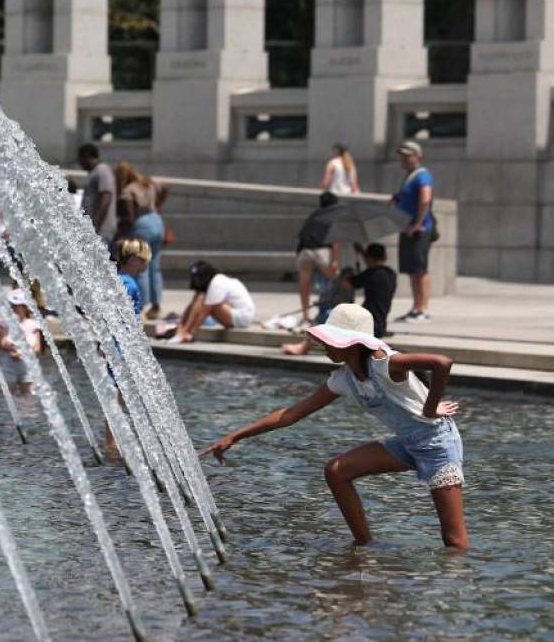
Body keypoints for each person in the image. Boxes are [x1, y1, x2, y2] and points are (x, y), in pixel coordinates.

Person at [200, 303, 467, 549]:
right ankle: (365, 547)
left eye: (328, 341)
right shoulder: (345, 378)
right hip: (406, 443)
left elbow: (441, 363)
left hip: (437, 444)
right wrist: (235, 436)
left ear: (350, 343)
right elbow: (291, 414)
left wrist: (430, 408)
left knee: (453, 540)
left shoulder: (385, 363)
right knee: (336, 471)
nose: (322, 346)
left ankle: (456, 587)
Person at [104, 238, 151, 456]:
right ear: (133, 259)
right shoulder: (129, 284)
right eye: (143, 261)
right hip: (122, 345)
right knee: (119, 395)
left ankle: (113, 439)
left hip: (118, 343)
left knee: (118, 395)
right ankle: (112, 442)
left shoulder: (119, 280)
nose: (145, 265)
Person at [115, 161, 167, 319]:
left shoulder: (128, 190)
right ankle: (156, 306)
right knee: (155, 266)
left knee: (139, 266)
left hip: (142, 225)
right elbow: (165, 187)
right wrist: (157, 205)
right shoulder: (147, 183)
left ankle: (142, 306)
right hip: (157, 221)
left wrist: (121, 234)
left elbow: (130, 217)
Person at [391, 140, 435, 323]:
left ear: (418, 156)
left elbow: (425, 199)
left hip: (419, 230)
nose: (404, 159)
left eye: (408, 156)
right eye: (402, 156)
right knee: (412, 270)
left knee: (420, 270)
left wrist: (418, 223)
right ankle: (415, 307)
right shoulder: (409, 177)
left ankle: (423, 309)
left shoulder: (422, 175)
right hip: (407, 228)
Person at [172, 261, 255, 343]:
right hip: (235, 313)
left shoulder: (217, 282)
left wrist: (191, 331)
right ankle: (182, 333)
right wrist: (180, 327)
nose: (197, 281)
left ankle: (188, 333)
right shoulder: (212, 284)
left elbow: (205, 310)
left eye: (198, 278)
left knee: (205, 301)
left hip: (243, 317)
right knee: (198, 298)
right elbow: (191, 306)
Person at [295, 191, 341, 323]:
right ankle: (328, 313)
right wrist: (335, 261)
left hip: (305, 251)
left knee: (304, 286)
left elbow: (302, 237)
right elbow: (335, 240)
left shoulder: (313, 215)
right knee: (334, 282)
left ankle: (305, 315)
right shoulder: (333, 216)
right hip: (322, 250)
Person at [0, 288, 43, 396]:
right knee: (8, 396)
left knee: (28, 399)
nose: (15, 309)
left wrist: (22, 353)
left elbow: (37, 348)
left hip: (28, 367)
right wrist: (11, 348)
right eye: (13, 306)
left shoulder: (33, 325)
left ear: (25, 307)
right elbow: (2, 343)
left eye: (18, 306)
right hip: (9, 366)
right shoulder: (5, 323)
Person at [77, 143, 117, 246]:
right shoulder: (95, 172)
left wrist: (95, 224)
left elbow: (106, 197)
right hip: (95, 229)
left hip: (102, 229)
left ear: (87, 156)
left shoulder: (102, 170)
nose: (79, 163)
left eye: (80, 159)